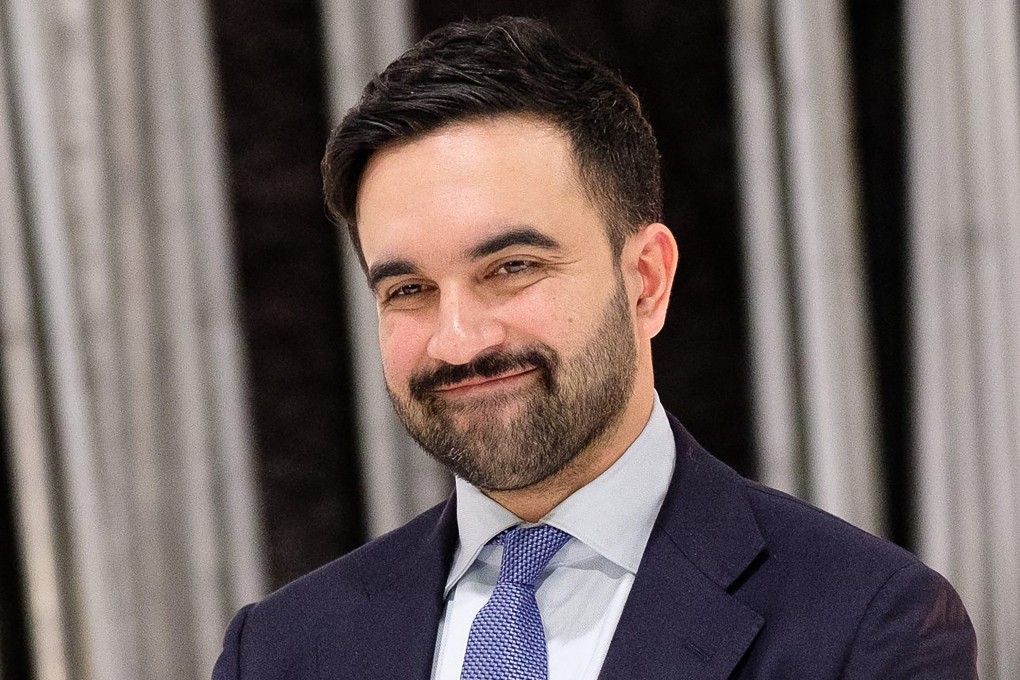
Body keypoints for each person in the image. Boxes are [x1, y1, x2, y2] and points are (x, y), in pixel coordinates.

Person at [213, 16, 976, 680]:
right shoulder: (280, 650)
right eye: (408, 290)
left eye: (511, 269)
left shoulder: (865, 629)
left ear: (646, 281)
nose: (458, 341)